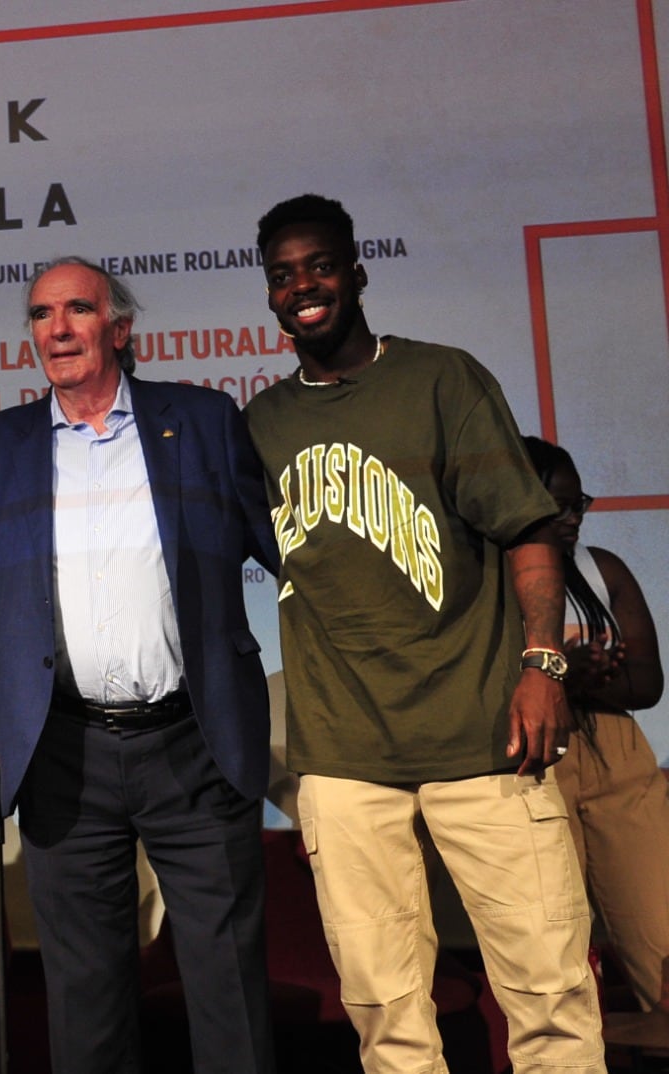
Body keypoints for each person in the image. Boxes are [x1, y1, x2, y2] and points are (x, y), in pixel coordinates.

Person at [243, 193, 604, 1073]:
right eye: (284, 275)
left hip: (487, 739)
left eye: (320, 266)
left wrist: (543, 665)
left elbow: (527, 528)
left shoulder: (443, 380)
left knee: (549, 995)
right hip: (344, 757)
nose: (304, 287)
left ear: (357, 272)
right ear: (271, 296)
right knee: (387, 1018)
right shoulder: (261, 426)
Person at [0, 257, 280, 1074]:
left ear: (119, 330)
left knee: (229, 996)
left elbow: (286, 551)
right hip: (64, 755)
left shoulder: (201, 421)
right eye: (41, 314)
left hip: (194, 742)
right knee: (85, 1015)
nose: (56, 328)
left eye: (77, 309)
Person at [525, 435, 669, 1011]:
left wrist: (581, 678)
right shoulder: (480, 580)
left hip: (619, 761)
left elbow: (650, 684)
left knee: (659, 940)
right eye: (554, 505)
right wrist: (563, 669)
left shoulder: (600, 567)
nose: (569, 519)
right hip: (536, 766)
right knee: (554, 950)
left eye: (576, 504)